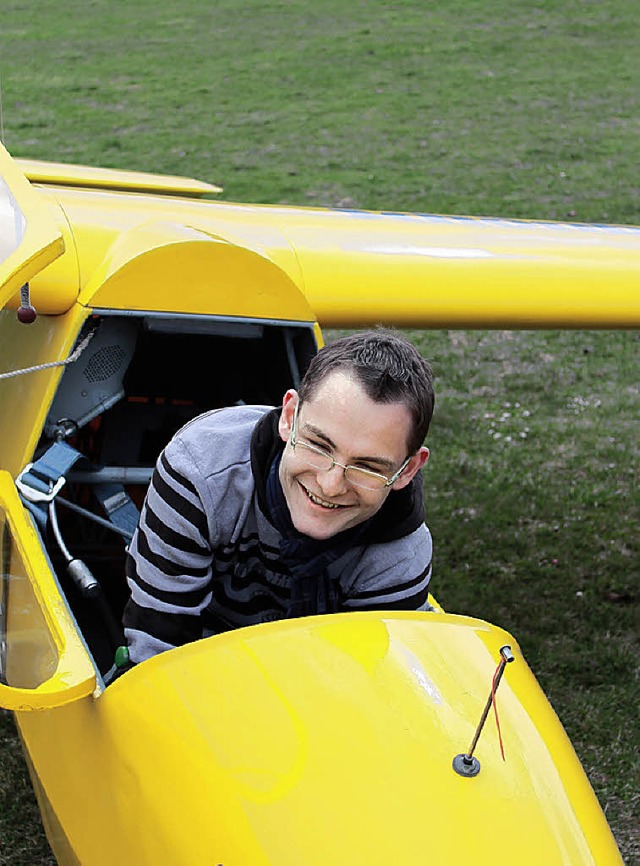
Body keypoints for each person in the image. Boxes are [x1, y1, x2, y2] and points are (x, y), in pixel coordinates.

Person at [123, 330, 435, 664]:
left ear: (407, 470)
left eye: (368, 466)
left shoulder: (401, 555)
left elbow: (358, 679)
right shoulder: (199, 472)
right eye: (318, 445)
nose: (330, 485)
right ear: (289, 417)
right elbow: (160, 646)